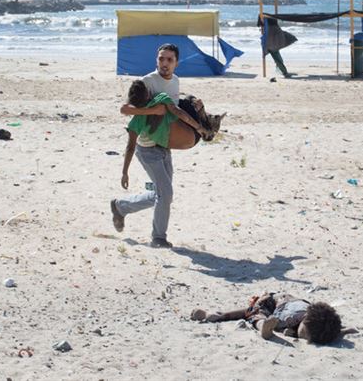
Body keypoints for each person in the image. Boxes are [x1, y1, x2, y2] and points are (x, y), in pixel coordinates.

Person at [110, 44, 191, 248]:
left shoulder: (175, 81)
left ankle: (121, 207)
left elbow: (173, 110)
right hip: (146, 148)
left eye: (169, 60)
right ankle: (158, 237)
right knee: (166, 194)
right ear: (156, 60)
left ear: (176, 63)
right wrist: (153, 112)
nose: (165, 63)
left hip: (164, 145)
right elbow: (126, 109)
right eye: (161, 59)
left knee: (161, 194)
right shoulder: (147, 81)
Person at [190, 292, 347, 344]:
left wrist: (341, 331)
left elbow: (329, 324)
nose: (303, 336)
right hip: (269, 303)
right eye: (304, 332)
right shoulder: (290, 318)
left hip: (282, 302)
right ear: (305, 320)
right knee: (255, 314)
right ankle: (262, 328)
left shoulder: (319, 317)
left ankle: (216, 314)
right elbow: (276, 318)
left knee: (253, 312)